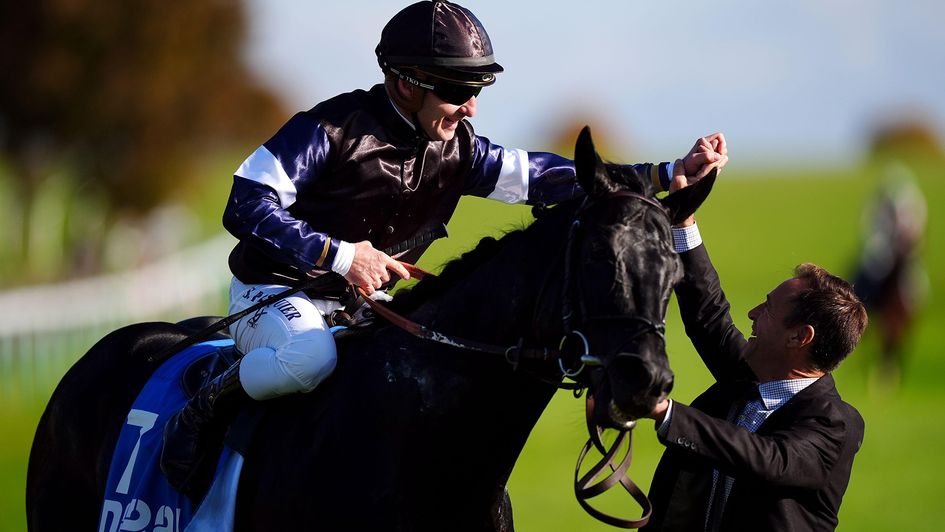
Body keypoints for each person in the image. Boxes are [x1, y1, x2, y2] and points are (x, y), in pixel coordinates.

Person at [160, 0, 726, 499]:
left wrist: (667, 172)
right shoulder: (328, 129)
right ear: (406, 81)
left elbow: (546, 178)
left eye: (478, 91)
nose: (471, 108)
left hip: (362, 306)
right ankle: (211, 401)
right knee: (311, 359)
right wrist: (341, 255)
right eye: (457, 91)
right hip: (276, 293)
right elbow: (244, 203)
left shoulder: (458, 148)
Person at [640, 165, 869, 531]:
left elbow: (769, 458)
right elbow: (708, 313)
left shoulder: (835, 424)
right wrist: (683, 221)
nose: (752, 313)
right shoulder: (748, 376)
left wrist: (665, 411)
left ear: (799, 337)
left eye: (767, 309)